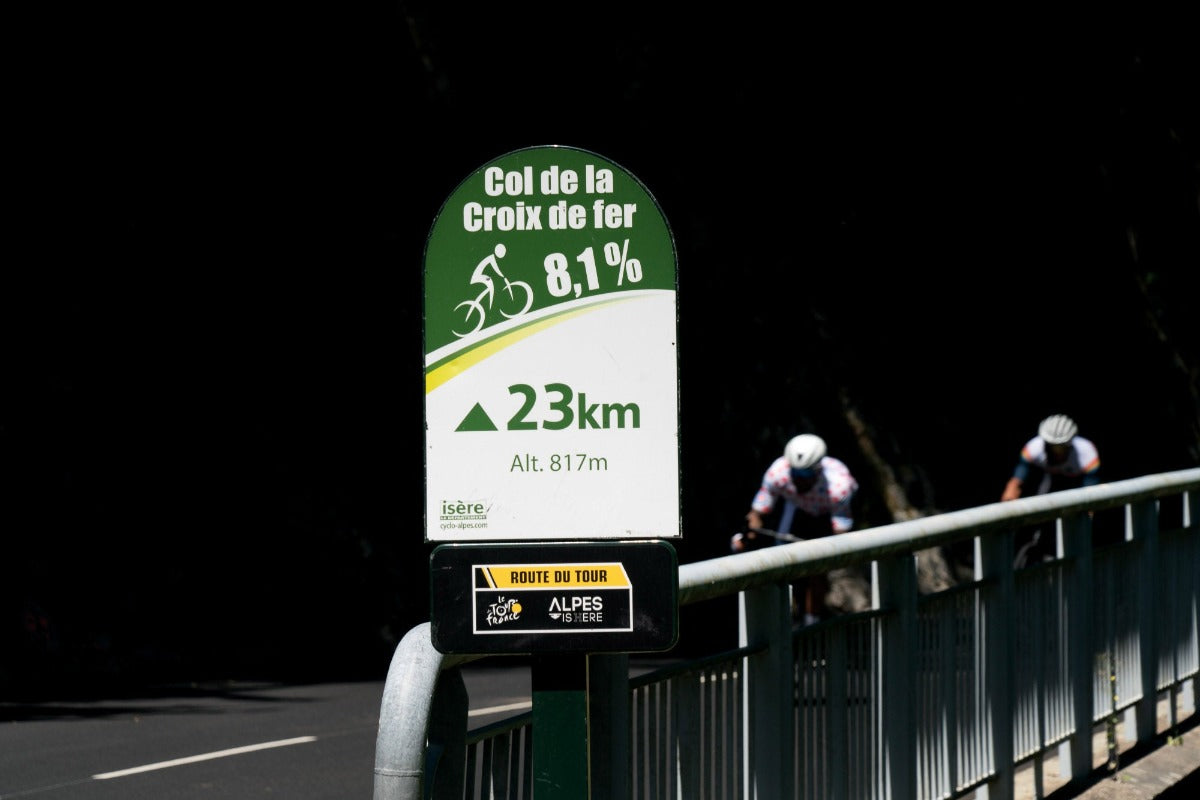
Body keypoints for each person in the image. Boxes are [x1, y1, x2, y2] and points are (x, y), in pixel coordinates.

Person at [731, 433, 859, 623]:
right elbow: (757, 513)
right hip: (796, 507)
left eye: (805, 474)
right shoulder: (779, 473)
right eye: (795, 473)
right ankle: (777, 614)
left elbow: (839, 533)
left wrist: (825, 553)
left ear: (818, 470)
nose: (798, 479)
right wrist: (747, 535)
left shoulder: (839, 487)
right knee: (777, 552)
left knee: (819, 567)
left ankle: (811, 620)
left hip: (825, 513)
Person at [1001, 414, 1101, 565]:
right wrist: (1009, 500)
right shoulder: (1034, 447)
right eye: (1050, 444)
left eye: (1060, 447)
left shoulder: (1087, 454)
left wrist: (1084, 522)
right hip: (1047, 479)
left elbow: (1090, 496)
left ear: (1070, 444)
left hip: (1074, 483)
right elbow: (1016, 482)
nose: (1054, 450)